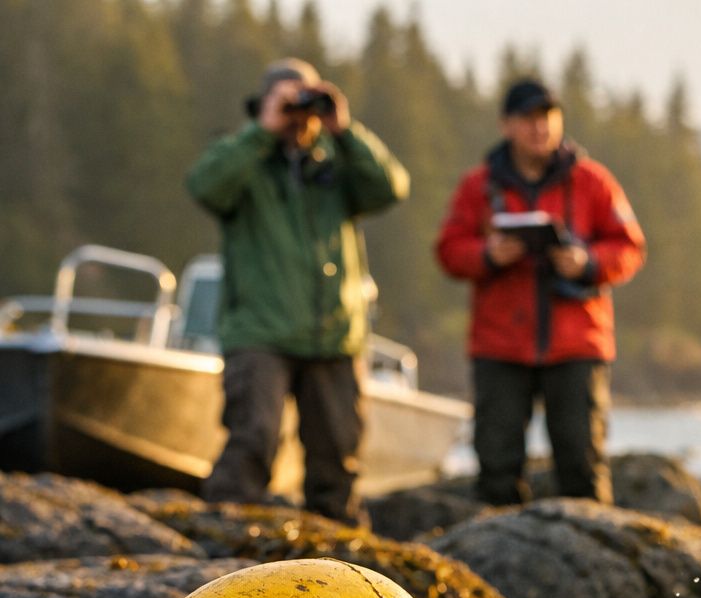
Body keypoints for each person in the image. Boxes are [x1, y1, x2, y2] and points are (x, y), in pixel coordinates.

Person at [187, 58, 409, 524]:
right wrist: (263, 130)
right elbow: (206, 186)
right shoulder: (245, 161)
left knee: (338, 454)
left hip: (333, 332)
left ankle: (338, 557)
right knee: (254, 437)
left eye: (306, 101)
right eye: (288, 102)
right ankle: (226, 543)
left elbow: (390, 187)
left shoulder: (337, 161)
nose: (299, 114)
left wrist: (345, 130)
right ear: (264, 105)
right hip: (261, 330)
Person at [435, 78, 646, 506]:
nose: (540, 127)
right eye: (528, 118)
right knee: (496, 466)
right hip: (501, 345)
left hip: (577, 344)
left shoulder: (593, 181)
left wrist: (586, 262)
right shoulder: (479, 185)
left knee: (581, 464)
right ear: (506, 125)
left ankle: (590, 556)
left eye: (548, 117)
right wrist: (489, 254)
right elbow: (449, 250)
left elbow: (630, 246)